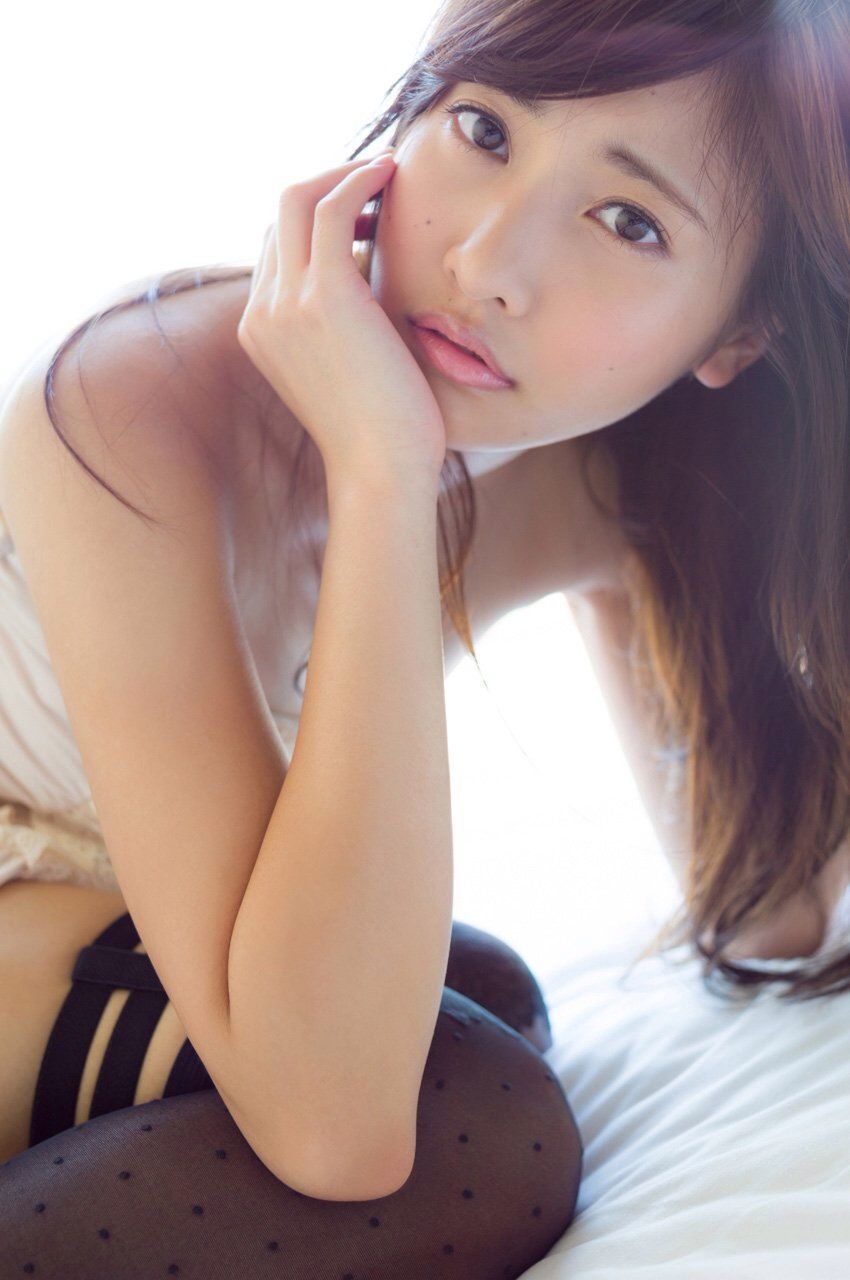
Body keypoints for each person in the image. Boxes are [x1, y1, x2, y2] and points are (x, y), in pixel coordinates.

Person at [1, 0, 849, 1274]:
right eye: (484, 129)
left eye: (629, 221)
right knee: (472, 1125)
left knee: (485, 1000)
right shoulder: (136, 403)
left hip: (109, 938)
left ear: (736, 335)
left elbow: (768, 908)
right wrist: (384, 476)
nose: (490, 260)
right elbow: (332, 1126)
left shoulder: (587, 485)